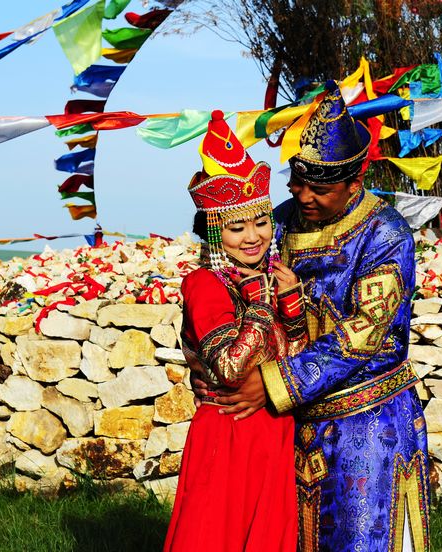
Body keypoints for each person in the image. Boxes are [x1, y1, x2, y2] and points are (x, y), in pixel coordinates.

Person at [201, 81, 432, 551]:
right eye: (297, 184)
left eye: (319, 189)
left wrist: (271, 383)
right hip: (295, 421)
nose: (304, 196)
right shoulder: (283, 218)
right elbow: (229, 268)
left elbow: (363, 334)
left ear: (354, 183)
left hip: (369, 424)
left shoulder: (386, 234)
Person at [163, 110, 308, 552]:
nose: (253, 237)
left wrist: (293, 307)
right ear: (213, 232)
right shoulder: (205, 285)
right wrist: (264, 306)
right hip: (228, 433)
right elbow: (228, 366)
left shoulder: (273, 275)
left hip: (273, 428)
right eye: (236, 227)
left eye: (260, 222)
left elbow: (293, 355)